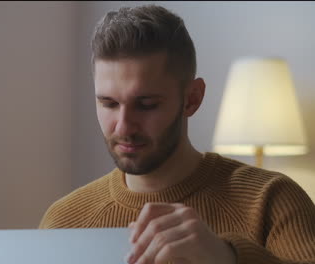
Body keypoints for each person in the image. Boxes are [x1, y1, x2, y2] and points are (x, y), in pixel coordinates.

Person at [39, 4, 315, 264]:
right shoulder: (64, 222)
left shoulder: (272, 200)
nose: (123, 126)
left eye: (146, 105)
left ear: (192, 99)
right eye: (109, 103)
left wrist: (228, 257)